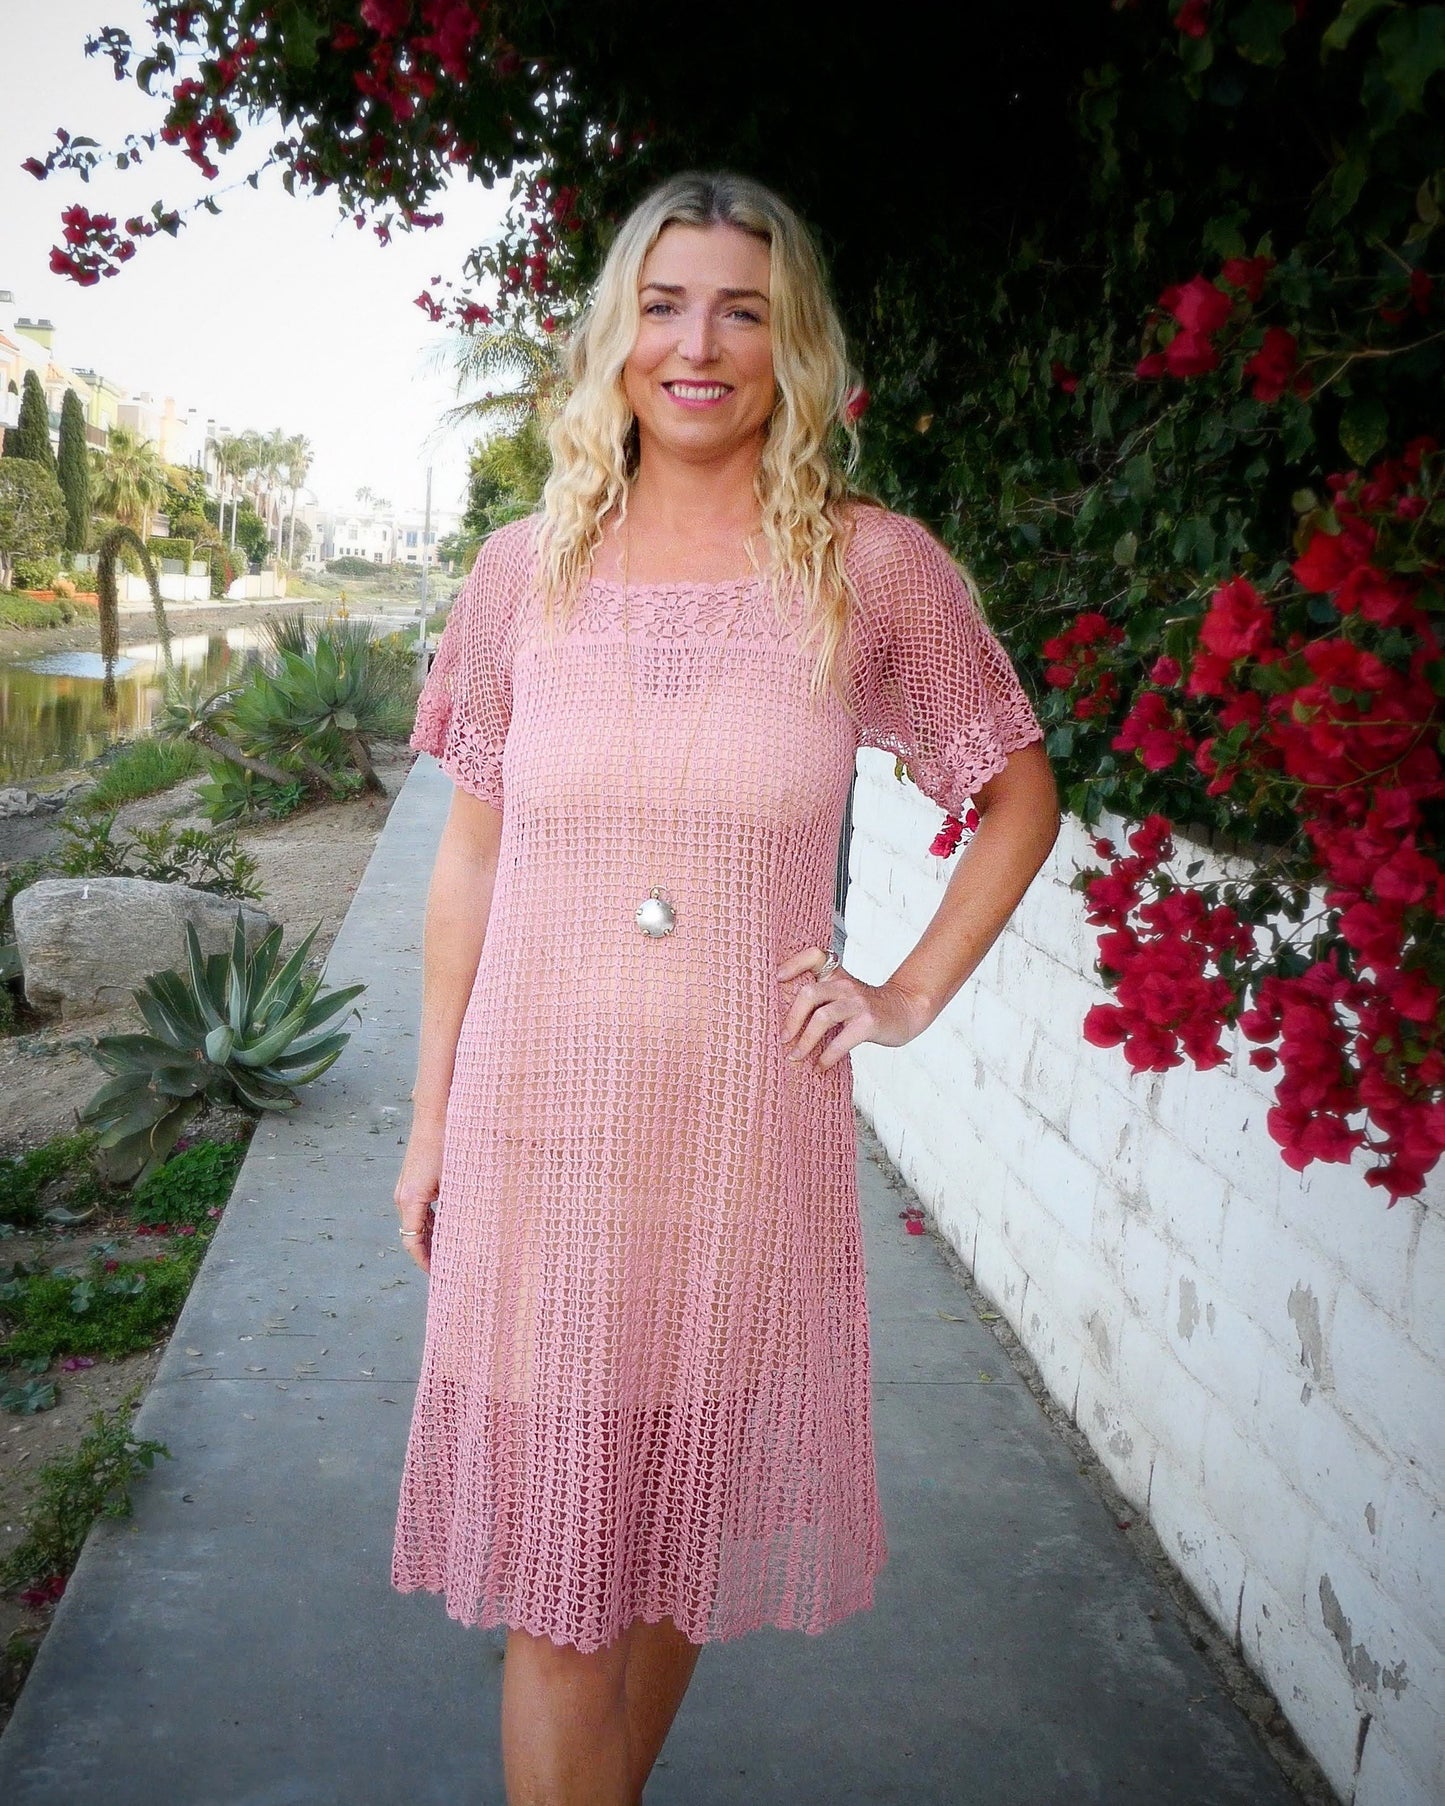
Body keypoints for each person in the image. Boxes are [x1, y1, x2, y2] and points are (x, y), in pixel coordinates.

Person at [390, 169, 1059, 1805]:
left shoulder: (869, 569)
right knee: (559, 1591)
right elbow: (468, 859)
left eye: (742, 309)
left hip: (739, 1147)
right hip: (539, 1139)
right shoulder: (518, 571)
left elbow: (1017, 792)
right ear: (615, 334)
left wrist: (899, 996)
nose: (699, 344)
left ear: (791, 347)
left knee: (671, 1546)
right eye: (665, 303)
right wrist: (427, 1126)